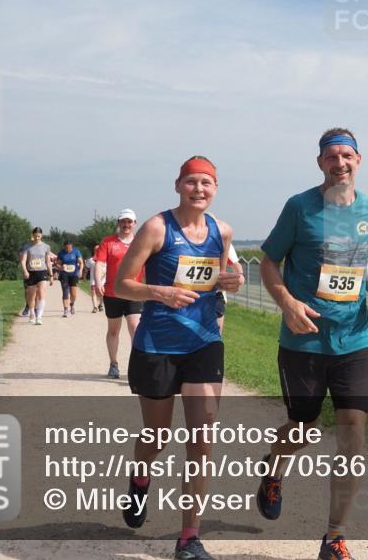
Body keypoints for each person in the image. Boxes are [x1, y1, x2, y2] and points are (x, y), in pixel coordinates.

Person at [256, 128, 368, 560]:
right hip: (304, 341)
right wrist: (288, 304)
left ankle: (335, 536)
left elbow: (357, 258)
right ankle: (274, 466)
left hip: (354, 338)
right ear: (320, 163)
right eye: (331, 156)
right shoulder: (300, 207)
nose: (340, 163)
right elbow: (269, 262)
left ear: (359, 160)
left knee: (354, 433)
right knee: (303, 430)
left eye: (347, 155)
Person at [113, 156, 243, 560]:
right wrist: (160, 292)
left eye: (206, 183)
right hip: (157, 345)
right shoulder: (156, 227)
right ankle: (140, 478)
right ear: (178, 185)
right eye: (191, 182)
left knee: (202, 439)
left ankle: (189, 537)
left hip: (204, 341)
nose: (199, 189)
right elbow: (122, 284)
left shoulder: (222, 231)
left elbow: (224, 281)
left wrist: (234, 280)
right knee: (158, 437)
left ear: (215, 188)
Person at [96, 210, 145, 378]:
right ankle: (113, 364)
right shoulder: (108, 242)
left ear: (135, 224)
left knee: (135, 328)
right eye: (123, 222)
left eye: (129, 222)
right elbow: (100, 264)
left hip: (134, 292)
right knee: (113, 331)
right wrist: (97, 282)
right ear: (118, 223)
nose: (126, 225)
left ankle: (137, 367)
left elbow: (147, 264)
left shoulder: (140, 242)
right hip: (113, 292)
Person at [19, 228, 54, 326]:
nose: (37, 238)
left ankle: (39, 316)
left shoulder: (46, 247)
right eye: (35, 236)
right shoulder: (27, 246)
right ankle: (32, 313)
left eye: (38, 236)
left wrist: (51, 275)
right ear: (32, 235)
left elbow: (48, 261)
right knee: (31, 295)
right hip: (31, 273)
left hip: (42, 272)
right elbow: (22, 261)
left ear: (41, 235)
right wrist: (25, 271)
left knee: (42, 293)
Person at [56, 239, 85, 317]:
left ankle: (72, 304)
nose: (68, 249)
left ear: (72, 246)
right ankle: (66, 310)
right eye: (66, 248)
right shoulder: (61, 253)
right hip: (64, 275)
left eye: (69, 248)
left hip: (74, 275)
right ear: (64, 247)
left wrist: (81, 271)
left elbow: (81, 263)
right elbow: (58, 264)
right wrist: (61, 267)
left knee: (74, 294)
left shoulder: (76, 252)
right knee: (65, 292)